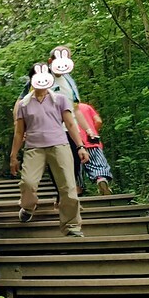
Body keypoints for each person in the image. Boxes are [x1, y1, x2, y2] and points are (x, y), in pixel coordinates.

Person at [10, 63, 90, 237]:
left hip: (59, 145)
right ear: (32, 80)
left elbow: (70, 124)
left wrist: (81, 146)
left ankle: (72, 227)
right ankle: (28, 206)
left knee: (68, 187)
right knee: (28, 183)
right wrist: (13, 156)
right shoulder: (24, 104)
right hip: (34, 147)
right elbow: (19, 132)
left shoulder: (60, 99)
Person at [13, 46, 94, 194]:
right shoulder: (39, 78)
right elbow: (20, 103)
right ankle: (61, 196)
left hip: (70, 127)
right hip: (46, 130)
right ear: (51, 61)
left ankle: (66, 198)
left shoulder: (69, 81)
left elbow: (76, 108)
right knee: (55, 166)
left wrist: (88, 129)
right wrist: (19, 126)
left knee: (74, 162)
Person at [77, 102, 113, 194]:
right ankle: (101, 179)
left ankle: (78, 188)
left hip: (75, 141)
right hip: (91, 140)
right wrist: (93, 130)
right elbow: (98, 121)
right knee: (98, 164)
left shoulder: (66, 107)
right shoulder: (86, 107)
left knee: (76, 168)